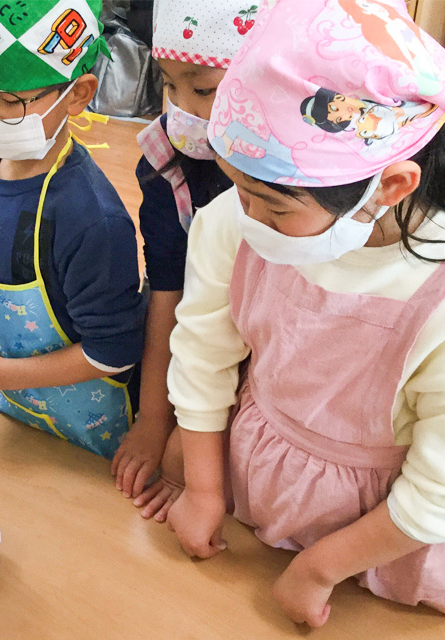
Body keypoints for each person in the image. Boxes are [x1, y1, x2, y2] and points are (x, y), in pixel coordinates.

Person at [163, 0, 445, 626]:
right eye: (235, 187)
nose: (244, 216)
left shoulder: (435, 298)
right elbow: (203, 355)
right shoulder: (231, 221)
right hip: (260, 491)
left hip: (381, 540)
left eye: (272, 206)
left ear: (391, 186)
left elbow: (435, 491)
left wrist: (319, 569)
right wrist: (206, 489)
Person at [0, 0, 146, 460]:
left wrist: (1, 374)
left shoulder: (92, 220)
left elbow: (114, 351)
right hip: (14, 411)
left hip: (88, 433)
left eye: (8, 103)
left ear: (79, 94)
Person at [111, 1, 245, 521]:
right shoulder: (171, 160)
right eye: (168, 85)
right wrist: (152, 419)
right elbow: (168, 288)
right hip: (196, 350)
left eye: (203, 89)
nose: (181, 108)